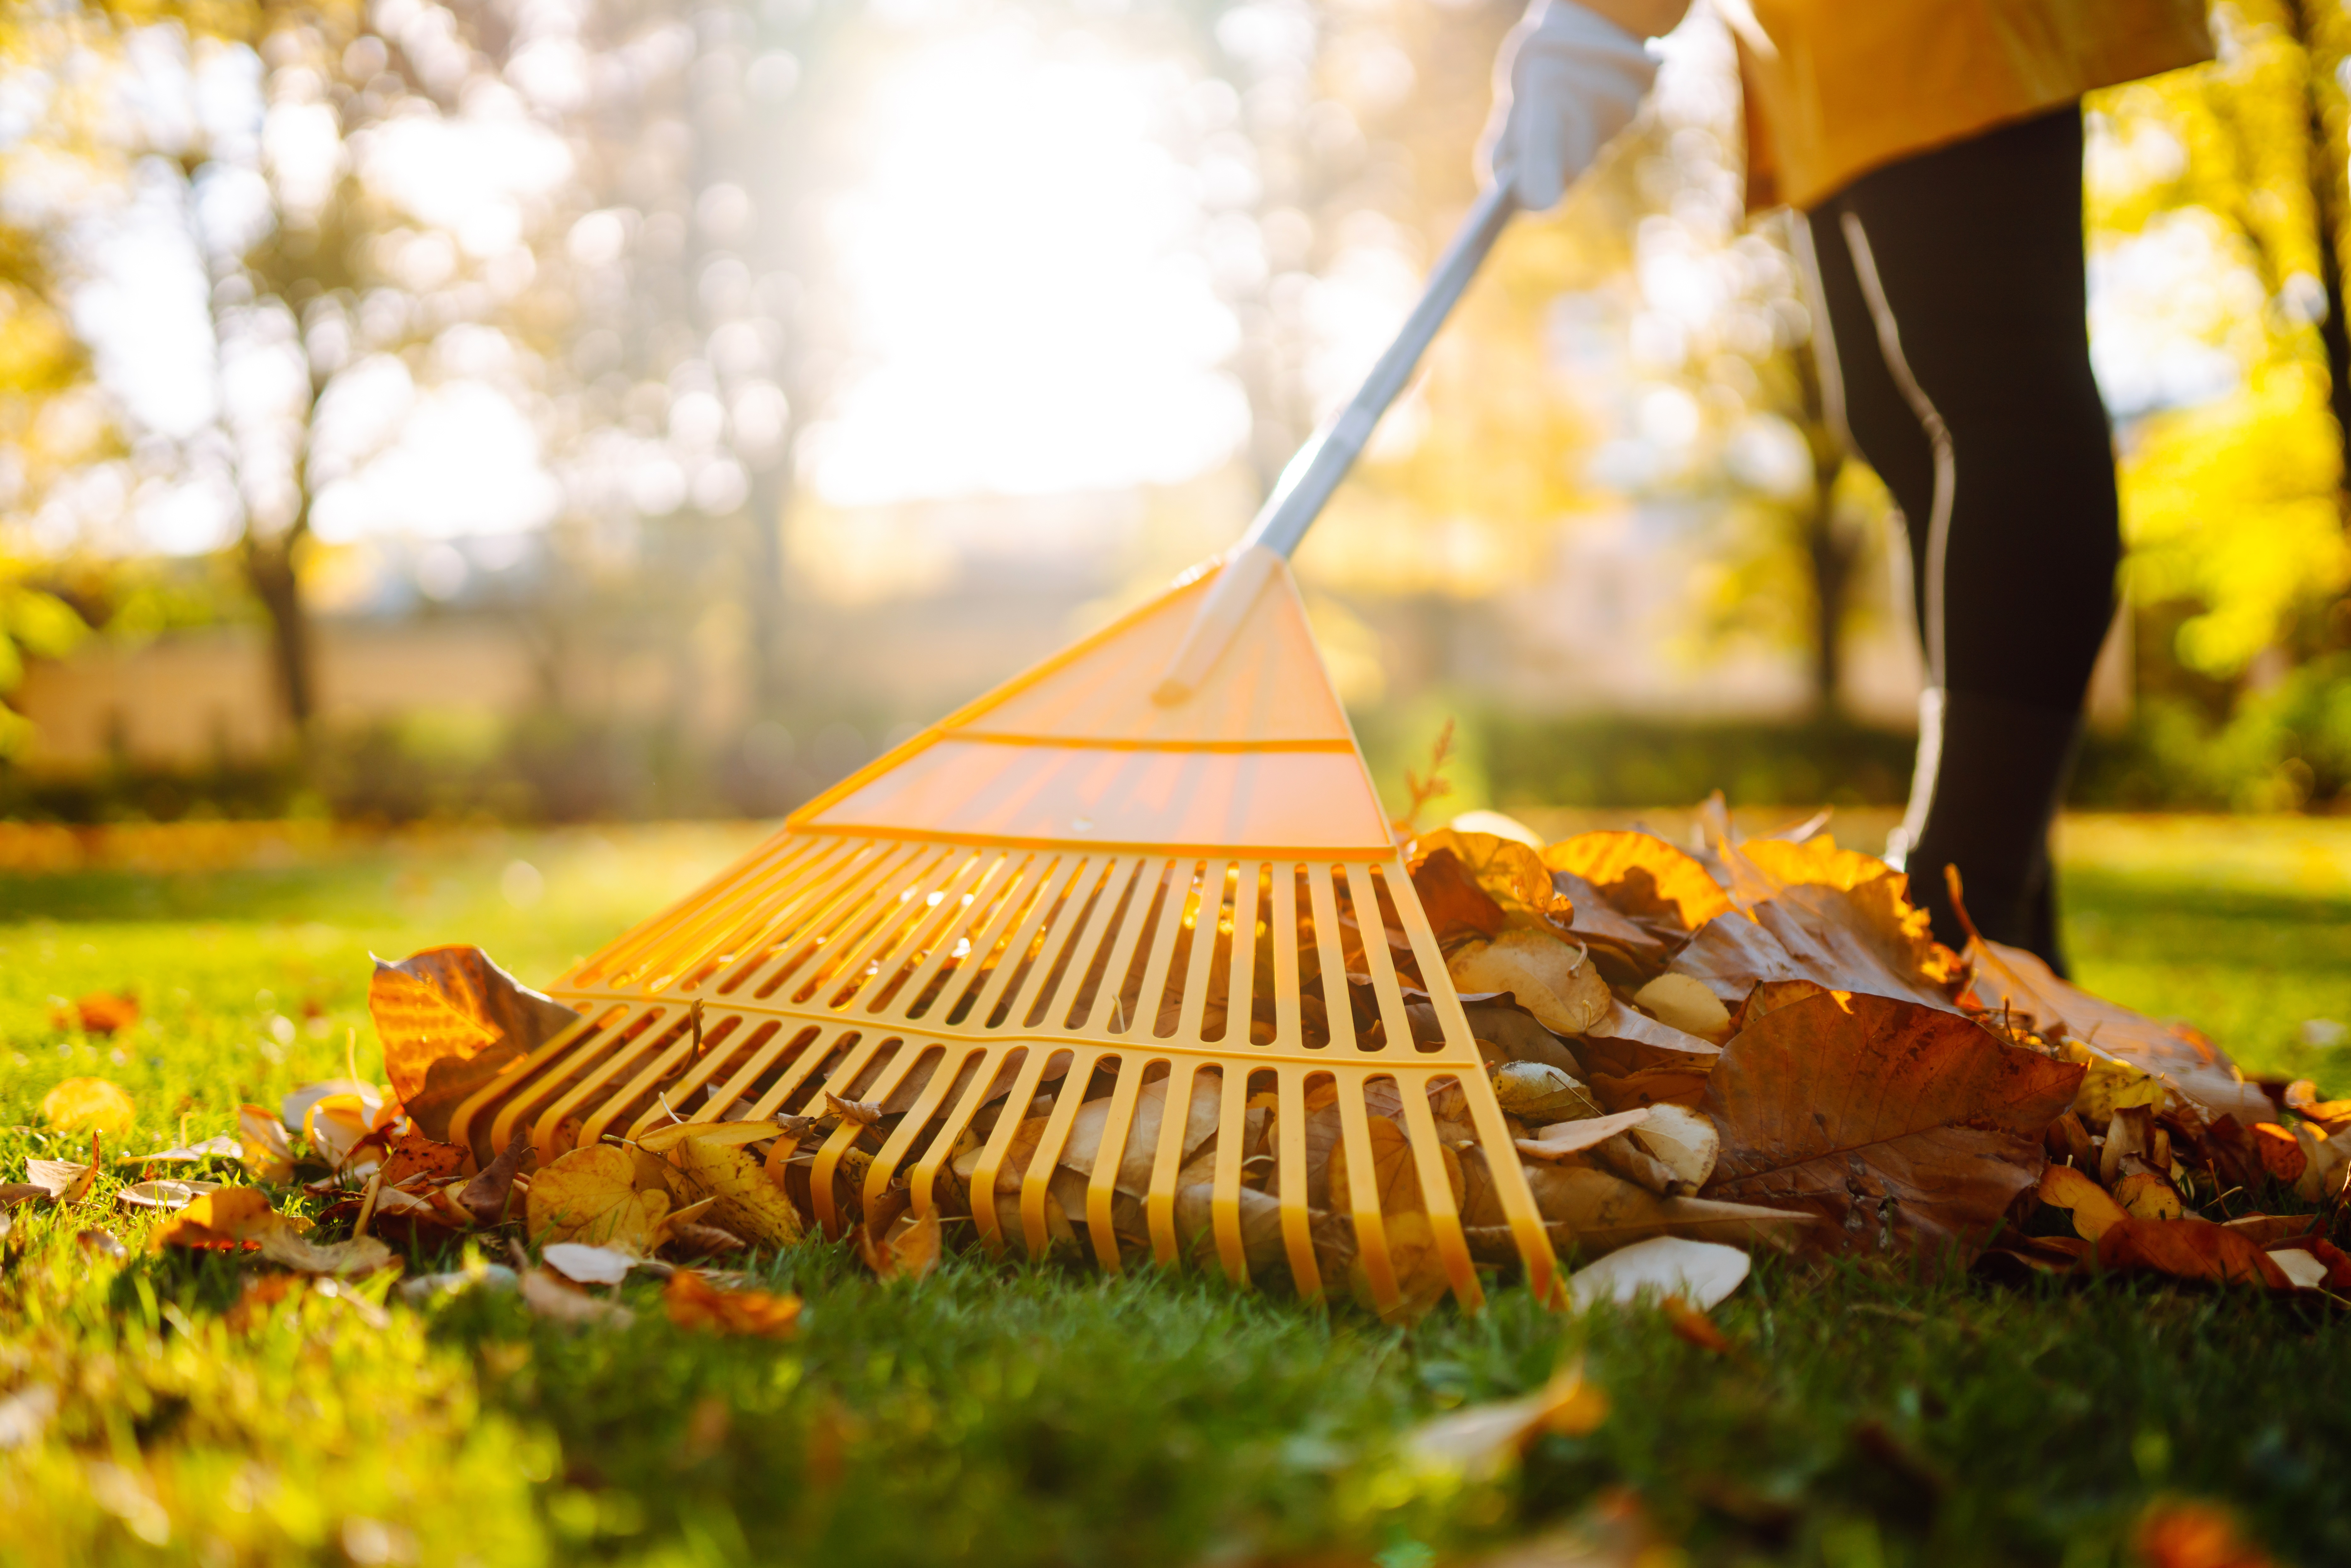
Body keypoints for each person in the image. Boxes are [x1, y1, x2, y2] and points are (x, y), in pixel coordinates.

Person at [1482, 0, 2213, 975]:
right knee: (1896, 432)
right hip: (1807, 38)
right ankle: (2011, 947)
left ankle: (1953, 904)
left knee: (1995, 395)